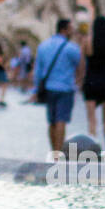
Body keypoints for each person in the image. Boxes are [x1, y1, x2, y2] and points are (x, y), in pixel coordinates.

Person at [34, 17, 82, 154]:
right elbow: (80, 65)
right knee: (61, 120)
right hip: (66, 88)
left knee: (52, 121)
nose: (73, 31)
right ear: (64, 29)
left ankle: (53, 151)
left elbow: (38, 70)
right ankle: (58, 153)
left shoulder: (43, 46)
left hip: (49, 88)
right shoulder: (71, 48)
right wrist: (78, 81)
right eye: (71, 28)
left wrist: (36, 89)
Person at [81, 13, 105, 152]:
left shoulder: (87, 41)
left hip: (90, 80)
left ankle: (92, 152)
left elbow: (82, 62)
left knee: (92, 120)